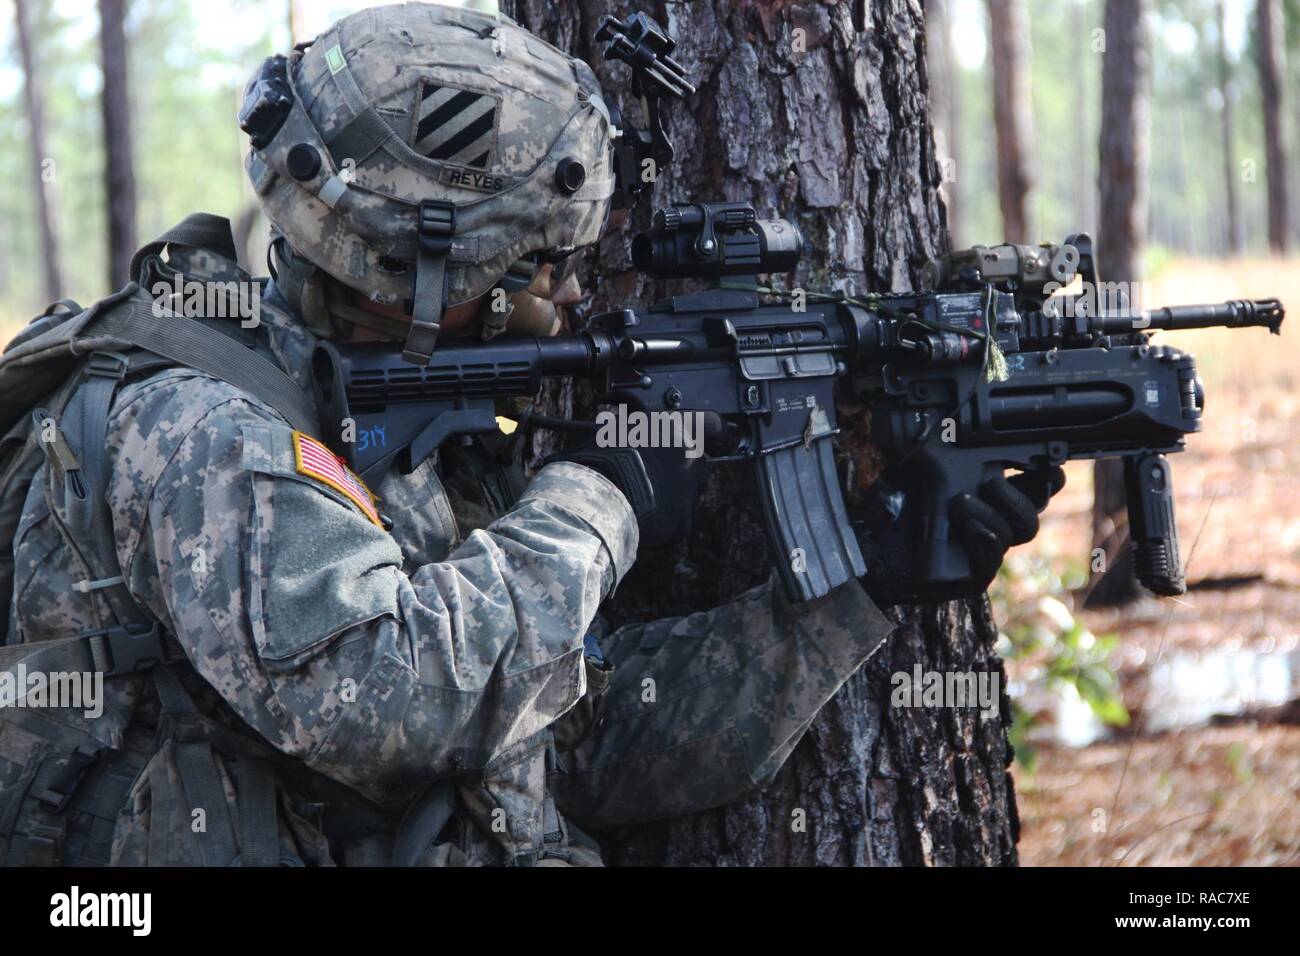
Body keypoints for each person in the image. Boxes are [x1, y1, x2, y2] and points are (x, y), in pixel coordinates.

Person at [0, 2, 1059, 867]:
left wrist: (858, 584)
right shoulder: (196, 425)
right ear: (416, 268)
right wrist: (598, 501)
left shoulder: (396, 419)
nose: (565, 287)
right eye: (534, 264)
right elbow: (391, 702)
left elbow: (568, 741)